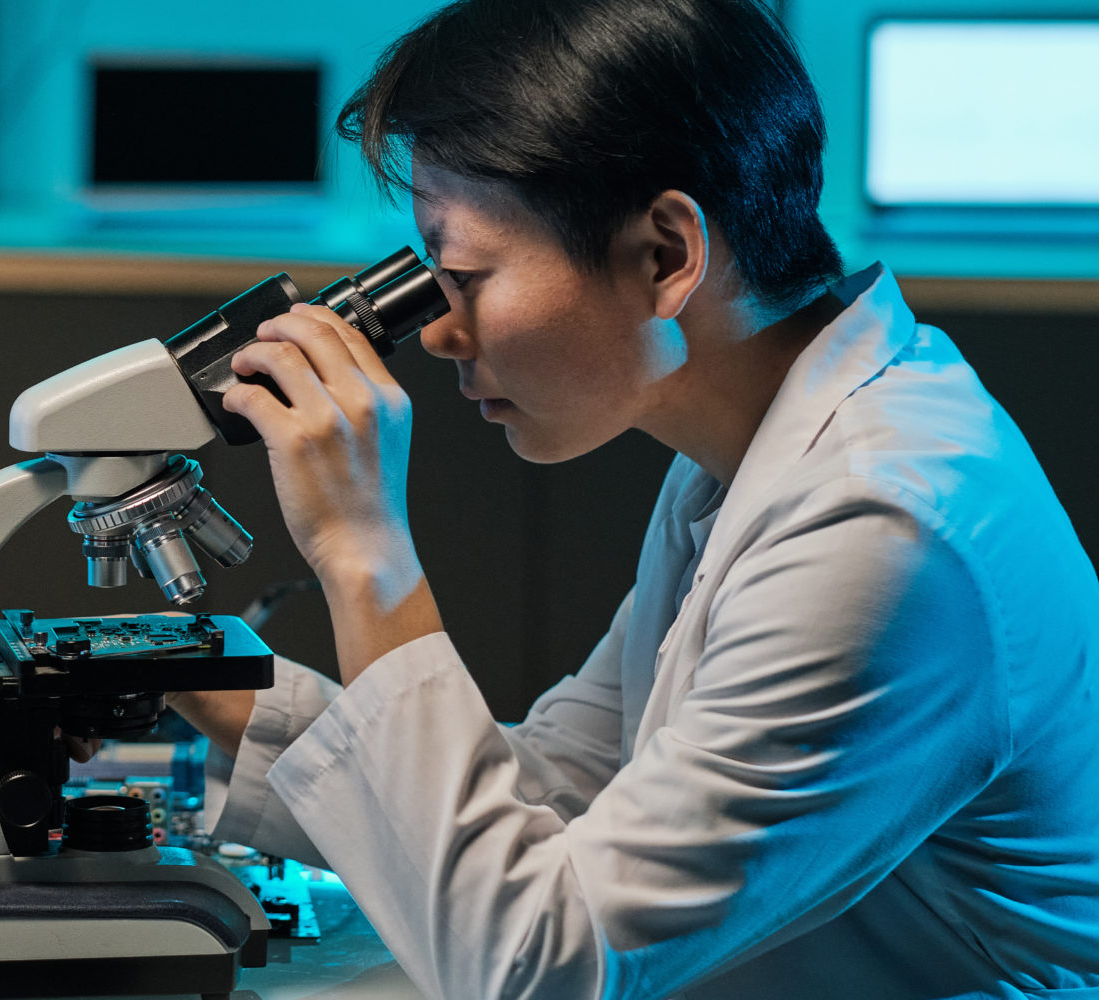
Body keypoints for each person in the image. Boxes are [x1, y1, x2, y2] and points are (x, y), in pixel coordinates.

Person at [163, 1, 1099, 997]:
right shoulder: (750, 454)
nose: (435, 333)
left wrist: (363, 550)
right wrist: (215, 686)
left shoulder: (880, 524)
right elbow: (564, 789)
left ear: (664, 254)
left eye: (462, 271)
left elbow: (539, 967)